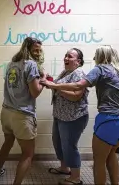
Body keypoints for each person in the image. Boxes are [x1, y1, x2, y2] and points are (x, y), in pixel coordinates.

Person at [40, 45, 119, 185]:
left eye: (96, 55)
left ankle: (75, 177)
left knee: (99, 161)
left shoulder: (100, 69)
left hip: (110, 120)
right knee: (110, 156)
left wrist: (53, 86)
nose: (94, 58)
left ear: (102, 56)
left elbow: (79, 86)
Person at [0, 37, 46, 184]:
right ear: (27, 48)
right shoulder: (31, 65)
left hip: (6, 112)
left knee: (7, 143)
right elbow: (35, 92)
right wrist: (43, 80)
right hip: (22, 115)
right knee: (28, 154)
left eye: (39, 50)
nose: (38, 52)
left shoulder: (11, 64)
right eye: (35, 49)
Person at [47, 48, 89, 185]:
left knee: (70, 146)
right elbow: (58, 85)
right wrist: (50, 81)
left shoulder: (80, 74)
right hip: (60, 115)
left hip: (73, 118)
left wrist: (55, 87)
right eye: (65, 55)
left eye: (69, 56)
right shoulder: (66, 72)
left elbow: (76, 96)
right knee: (58, 142)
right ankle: (65, 168)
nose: (65, 58)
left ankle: (75, 177)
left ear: (78, 61)